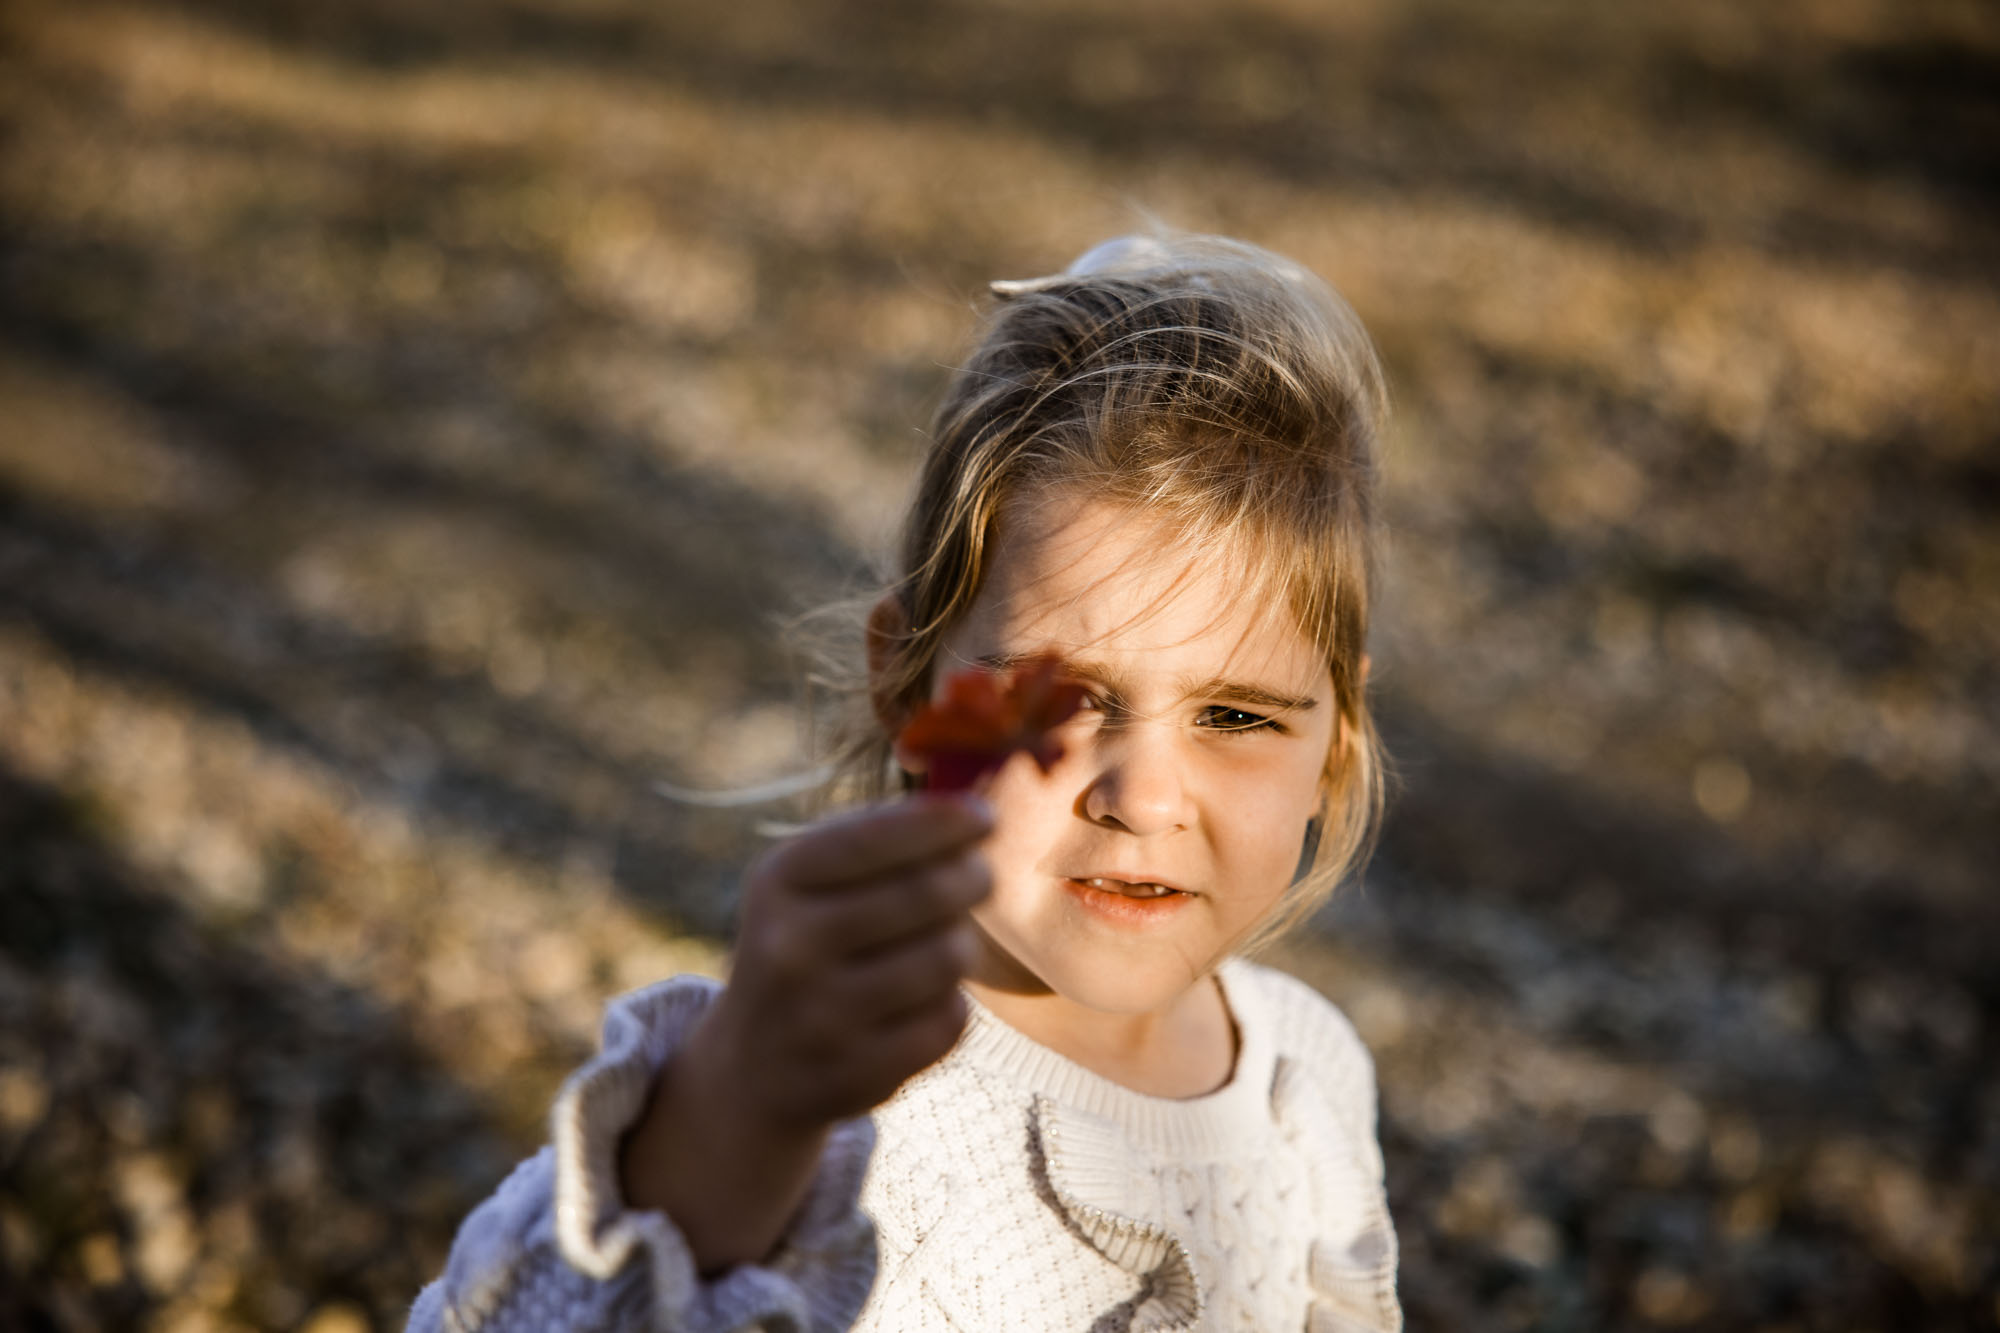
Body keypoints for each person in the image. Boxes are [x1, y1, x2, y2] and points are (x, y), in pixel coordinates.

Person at [407, 231, 1402, 1332]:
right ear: (907, 689)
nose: (1143, 798)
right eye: (1057, 701)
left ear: (1336, 745)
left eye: (1234, 715)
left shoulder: (1305, 1071)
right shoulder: (839, 1106)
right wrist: (735, 1114)